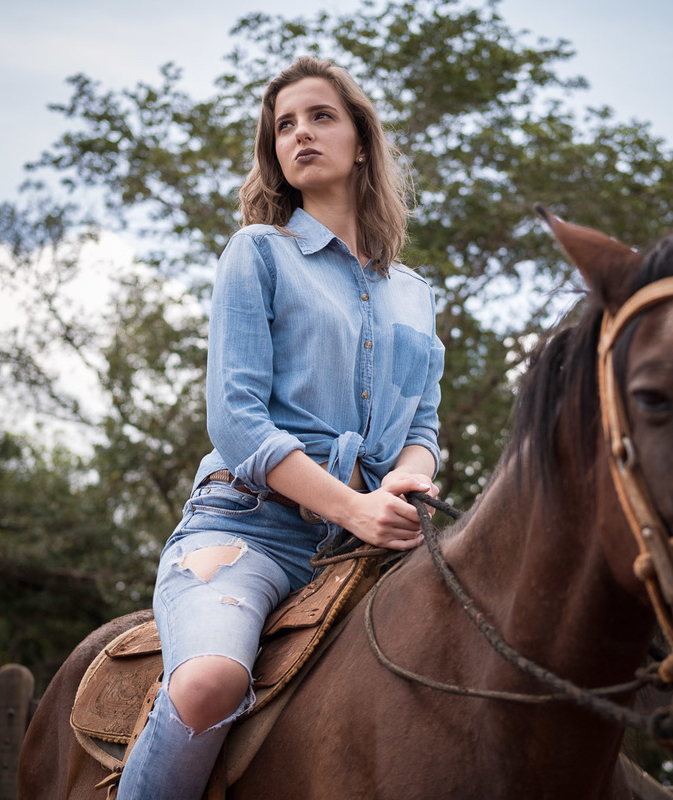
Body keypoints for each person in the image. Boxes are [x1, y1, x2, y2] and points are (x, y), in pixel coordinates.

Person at [116, 55, 444, 800]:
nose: (300, 134)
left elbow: (423, 427)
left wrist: (406, 483)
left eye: (321, 117)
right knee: (209, 682)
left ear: (361, 142)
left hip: (375, 545)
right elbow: (236, 420)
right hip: (251, 530)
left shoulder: (415, 294)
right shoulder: (258, 252)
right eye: (284, 125)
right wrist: (353, 505)